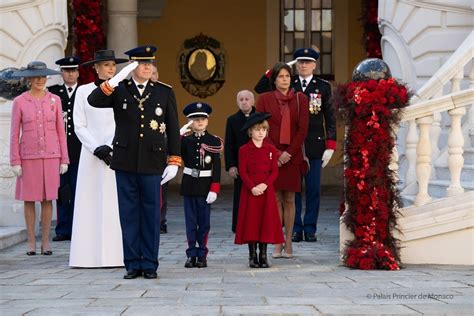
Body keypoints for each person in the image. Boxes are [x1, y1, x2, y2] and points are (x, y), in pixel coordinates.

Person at [88, 45, 182, 280]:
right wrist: (116, 78)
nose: (148, 66)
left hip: (152, 160)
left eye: (150, 62)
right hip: (125, 160)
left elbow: (172, 127)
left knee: (151, 215)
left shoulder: (163, 92)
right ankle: (132, 264)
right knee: (129, 214)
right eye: (142, 63)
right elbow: (94, 100)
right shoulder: (120, 89)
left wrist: (174, 160)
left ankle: (149, 264)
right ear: (132, 66)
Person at [255, 48, 336, 243]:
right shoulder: (288, 84)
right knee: (294, 189)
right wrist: (278, 68)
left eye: (307, 62)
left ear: (315, 65)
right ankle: (296, 228)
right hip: (291, 146)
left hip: (314, 144)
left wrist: (330, 145)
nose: (303, 65)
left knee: (314, 188)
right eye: (299, 62)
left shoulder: (322, 87)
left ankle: (310, 228)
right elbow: (260, 87)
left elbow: (330, 116)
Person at [69, 50, 128, 267]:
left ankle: (117, 255)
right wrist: (97, 148)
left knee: (115, 203)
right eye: (105, 65)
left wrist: (112, 146)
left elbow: (125, 122)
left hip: (117, 152)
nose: (111, 68)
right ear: (95, 68)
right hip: (91, 154)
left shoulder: (122, 91)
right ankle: (86, 256)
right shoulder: (84, 92)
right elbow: (79, 125)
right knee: (89, 202)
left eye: (113, 64)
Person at [10, 61, 69, 256]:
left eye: (43, 77)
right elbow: (13, 134)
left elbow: (61, 131)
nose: (40, 80)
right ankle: (30, 242)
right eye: (36, 77)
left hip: (52, 156)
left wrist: (64, 159)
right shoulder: (20, 101)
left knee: (47, 199)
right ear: (29, 79)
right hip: (28, 157)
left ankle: (45, 242)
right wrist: (15, 161)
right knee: (29, 199)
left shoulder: (55, 100)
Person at [255, 62, 309, 258]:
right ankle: (277, 243)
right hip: (271, 155)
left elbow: (303, 129)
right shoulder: (263, 99)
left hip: (292, 156)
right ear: (274, 80)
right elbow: (260, 128)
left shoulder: (300, 99)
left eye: (287, 76)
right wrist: (276, 153)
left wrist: (289, 153)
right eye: (281, 76)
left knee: (290, 198)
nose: (285, 79)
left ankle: (289, 243)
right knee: (275, 199)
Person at [234, 112, 284, 268]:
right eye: (257, 129)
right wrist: (252, 187)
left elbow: (274, 172)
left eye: (263, 129)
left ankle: (263, 254)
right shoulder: (244, 149)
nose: (260, 132)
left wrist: (264, 185)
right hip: (250, 191)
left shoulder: (270, 149)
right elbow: (243, 171)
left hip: (265, 191)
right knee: (252, 222)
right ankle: (252, 255)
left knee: (265, 222)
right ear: (250, 132)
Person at [180, 102, 222, 269]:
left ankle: (202, 254)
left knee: (204, 222)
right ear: (190, 121)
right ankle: (191, 253)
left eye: (203, 119)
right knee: (190, 222)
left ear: (207, 121)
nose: (200, 122)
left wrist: (215, 188)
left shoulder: (213, 141)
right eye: (196, 119)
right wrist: (179, 135)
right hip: (190, 183)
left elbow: (216, 166)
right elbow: (173, 151)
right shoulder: (186, 140)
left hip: (205, 185)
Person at [47, 56, 81, 242]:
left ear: (78, 72)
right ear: (62, 73)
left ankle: (77, 227)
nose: (70, 73)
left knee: (78, 189)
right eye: (67, 70)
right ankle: (63, 228)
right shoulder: (53, 93)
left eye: (73, 70)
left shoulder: (84, 92)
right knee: (61, 191)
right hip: (59, 150)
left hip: (79, 149)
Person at [224, 90, 256, 233]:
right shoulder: (232, 120)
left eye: (247, 99)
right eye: (241, 99)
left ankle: (256, 223)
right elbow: (229, 145)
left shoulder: (260, 118)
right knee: (240, 196)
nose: (244, 102)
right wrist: (231, 166)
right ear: (237, 102)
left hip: (258, 164)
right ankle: (239, 225)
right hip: (240, 165)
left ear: (252, 101)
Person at [150, 64, 168, 234]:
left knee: (163, 185)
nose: (152, 75)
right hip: (144, 146)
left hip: (161, 145)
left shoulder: (164, 93)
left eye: (155, 72)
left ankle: (161, 219)